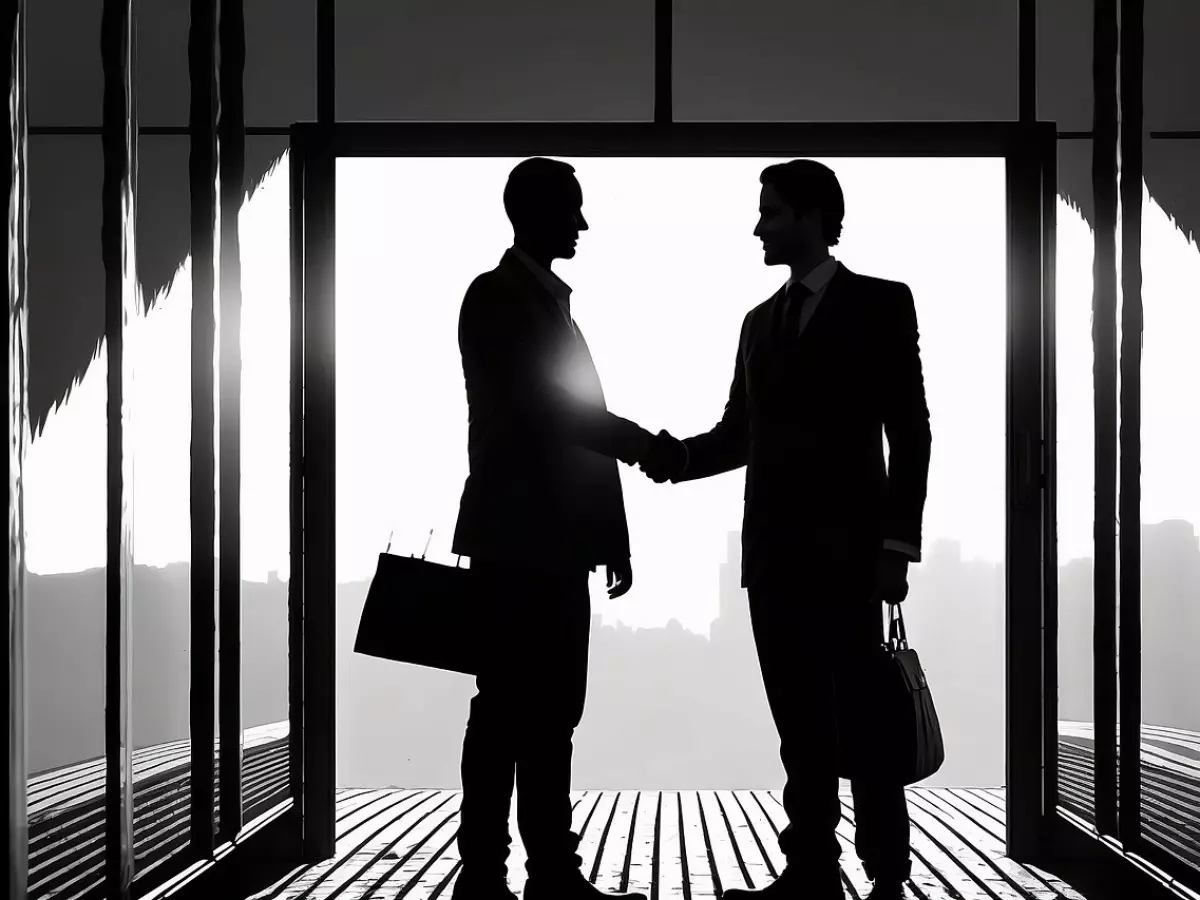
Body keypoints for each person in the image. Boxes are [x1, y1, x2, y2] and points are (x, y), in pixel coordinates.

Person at [640, 159, 932, 900]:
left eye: (769, 212)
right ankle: (811, 873)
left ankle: (887, 872)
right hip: (773, 560)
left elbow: (913, 431)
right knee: (801, 726)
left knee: (861, 722)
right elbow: (740, 435)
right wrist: (671, 459)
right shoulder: (756, 324)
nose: (758, 226)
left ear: (810, 215)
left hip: (851, 559)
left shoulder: (882, 304)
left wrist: (896, 546)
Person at [450, 157, 653, 900]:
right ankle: (502, 875)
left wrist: (613, 541)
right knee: (512, 707)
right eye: (571, 208)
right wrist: (648, 446)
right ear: (534, 213)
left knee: (544, 710)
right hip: (521, 542)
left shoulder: (536, 305)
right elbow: (559, 416)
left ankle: (534, 874)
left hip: (545, 543)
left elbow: (568, 434)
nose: (582, 223)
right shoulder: (502, 300)